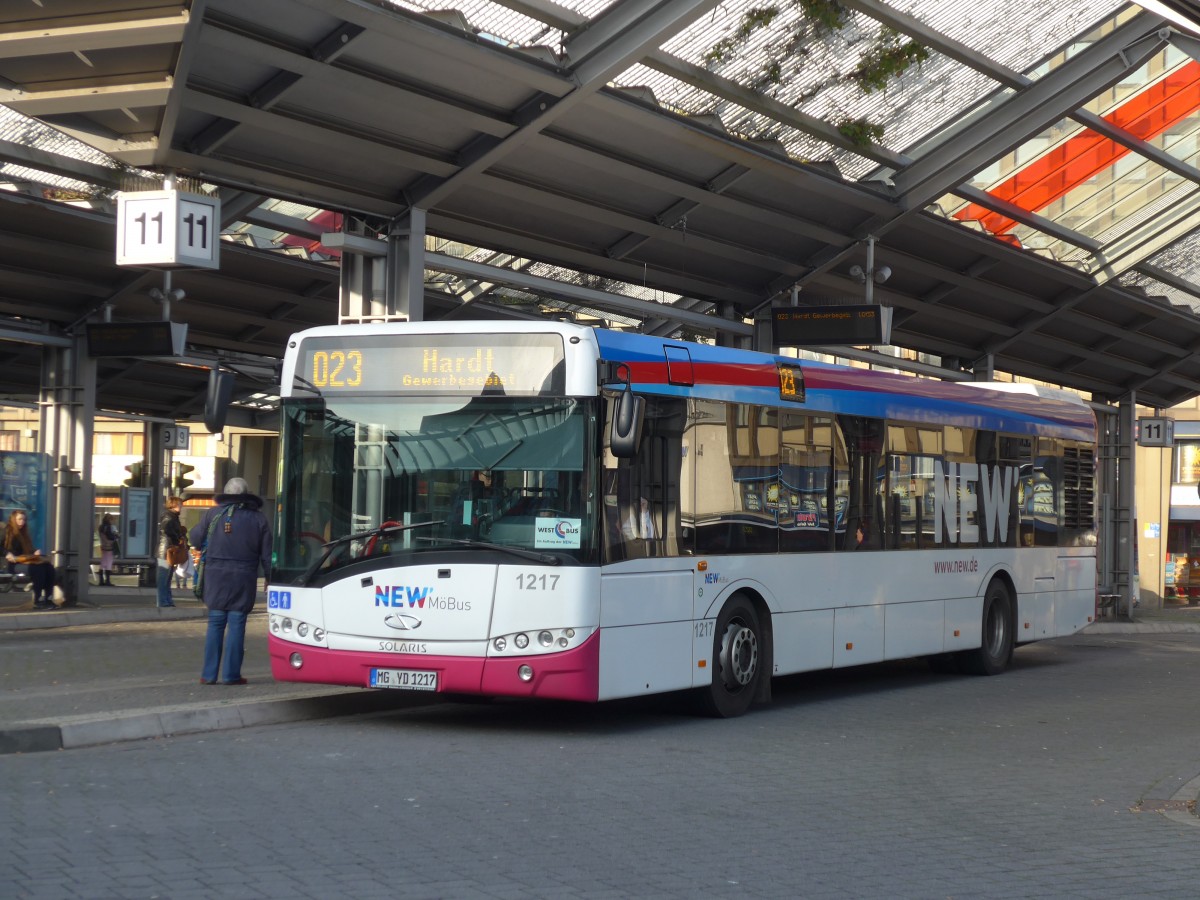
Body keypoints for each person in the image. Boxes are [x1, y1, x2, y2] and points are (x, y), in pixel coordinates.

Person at [190, 477, 272, 686]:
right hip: (243, 577)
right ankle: (231, 675)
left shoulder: (211, 514)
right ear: (246, 494)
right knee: (237, 624)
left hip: (215, 577)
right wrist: (270, 578)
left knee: (215, 623)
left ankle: (208, 675)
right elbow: (267, 554)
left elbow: (195, 540)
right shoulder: (259, 519)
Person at [3, 510, 56, 610]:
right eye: (19, 519)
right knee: (38, 569)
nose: (22, 522)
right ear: (13, 520)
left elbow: (28, 549)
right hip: (13, 564)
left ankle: (48, 598)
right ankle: (38, 599)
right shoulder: (6, 531)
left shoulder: (24, 534)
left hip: (24, 561)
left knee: (48, 567)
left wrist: (34, 551)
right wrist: (7, 553)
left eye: (24, 519)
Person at [156, 495, 186, 608]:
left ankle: (167, 600)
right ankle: (163, 601)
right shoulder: (169, 516)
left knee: (167, 577)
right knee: (164, 578)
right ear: (174, 504)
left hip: (167, 550)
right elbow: (165, 529)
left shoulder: (172, 516)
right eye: (180, 504)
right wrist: (176, 537)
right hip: (165, 551)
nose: (181, 507)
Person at [97, 513, 119, 586]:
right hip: (109, 547)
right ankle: (107, 581)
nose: (112, 521)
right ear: (109, 519)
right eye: (112, 520)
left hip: (103, 546)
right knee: (109, 563)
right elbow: (110, 537)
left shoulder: (101, 527)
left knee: (103, 563)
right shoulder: (109, 527)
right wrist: (116, 536)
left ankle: (101, 581)